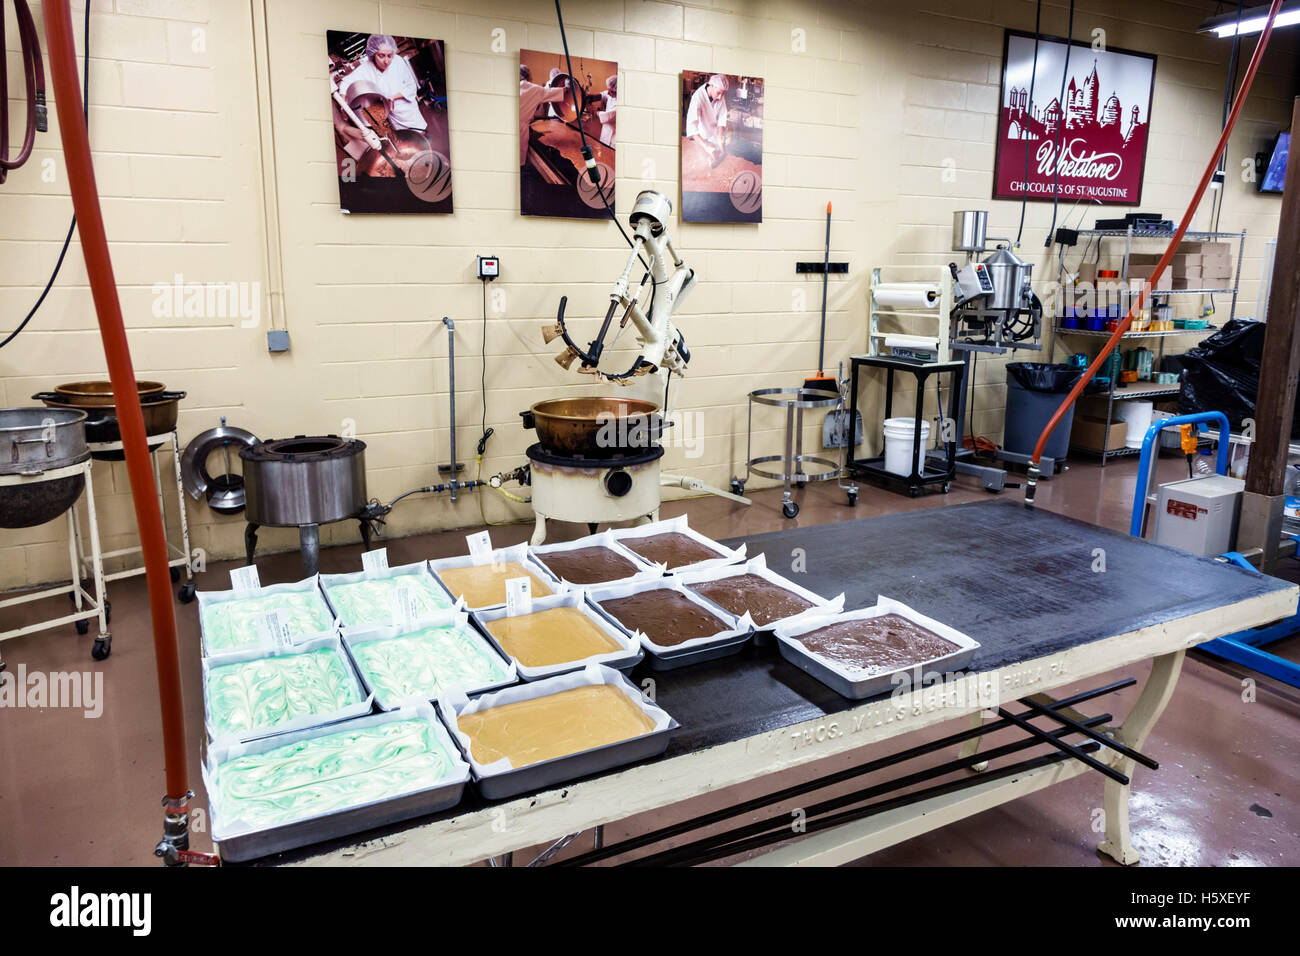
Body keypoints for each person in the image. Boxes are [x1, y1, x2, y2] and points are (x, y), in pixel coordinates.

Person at [344, 34, 427, 132]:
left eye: (390, 56)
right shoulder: (366, 69)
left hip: (408, 111)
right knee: (404, 139)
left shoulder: (398, 62)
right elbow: (346, 82)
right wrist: (343, 105)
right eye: (381, 56)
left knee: (421, 136)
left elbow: (410, 86)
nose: (386, 61)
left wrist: (393, 97)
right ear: (373, 54)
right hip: (392, 115)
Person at [519, 63, 569, 168]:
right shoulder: (533, 89)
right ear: (528, 76)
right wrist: (567, 87)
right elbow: (554, 92)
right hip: (521, 130)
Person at [685, 74, 728, 166]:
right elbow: (692, 127)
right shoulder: (698, 98)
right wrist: (706, 146)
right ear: (711, 86)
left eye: (723, 94)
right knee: (701, 161)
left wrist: (720, 136)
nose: (720, 97)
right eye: (719, 93)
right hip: (702, 136)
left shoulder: (719, 92)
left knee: (717, 156)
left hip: (714, 133)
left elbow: (722, 115)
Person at [597, 75, 617, 148]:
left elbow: (607, 116)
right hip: (606, 131)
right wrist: (591, 97)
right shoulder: (612, 93)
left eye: (611, 91)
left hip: (614, 138)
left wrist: (595, 111)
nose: (608, 93)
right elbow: (604, 94)